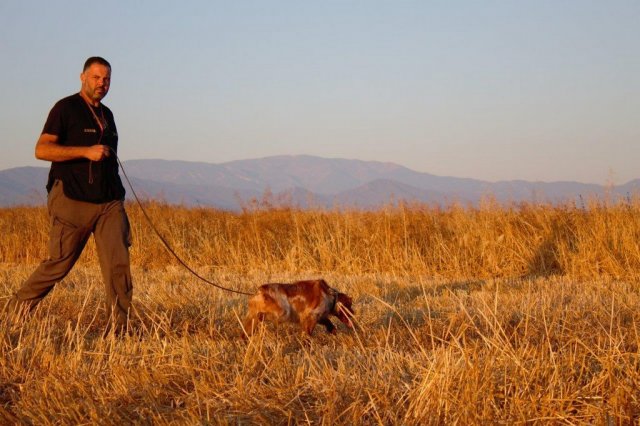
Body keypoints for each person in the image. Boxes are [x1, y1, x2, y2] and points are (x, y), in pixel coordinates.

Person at [7, 56, 133, 332]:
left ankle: (121, 329)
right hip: (72, 199)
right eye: (96, 77)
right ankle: (14, 313)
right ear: (83, 77)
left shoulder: (107, 115)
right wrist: (84, 151)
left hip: (109, 201)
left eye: (107, 79)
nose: (102, 84)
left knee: (118, 265)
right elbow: (42, 150)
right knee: (58, 264)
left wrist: (119, 196)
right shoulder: (65, 108)